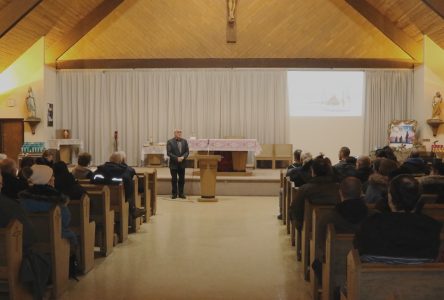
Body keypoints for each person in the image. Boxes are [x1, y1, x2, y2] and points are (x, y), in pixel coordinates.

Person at [354, 175, 442, 263]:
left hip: (371, 276)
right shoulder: (433, 227)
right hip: (422, 276)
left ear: (390, 199)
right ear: (419, 200)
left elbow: (359, 251)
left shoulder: (370, 223)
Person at [311, 177, 368, 285]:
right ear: (361, 193)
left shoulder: (328, 218)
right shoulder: (373, 215)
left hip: (334, 268)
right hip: (365, 268)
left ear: (340, 193)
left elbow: (321, 248)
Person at [289, 155, 340, 231]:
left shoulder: (305, 189)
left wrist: (300, 226)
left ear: (313, 172)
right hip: (336, 228)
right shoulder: (339, 188)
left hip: (309, 228)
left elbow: (295, 210)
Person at [93, 152, 146, 218]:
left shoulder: (100, 169)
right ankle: (132, 209)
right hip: (120, 200)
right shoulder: (128, 170)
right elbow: (137, 187)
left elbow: (92, 180)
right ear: (122, 161)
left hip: (99, 201)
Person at [167, 129, 189, 199]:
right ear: (174, 133)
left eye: (180, 132)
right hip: (173, 164)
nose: (179, 133)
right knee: (174, 179)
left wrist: (183, 157)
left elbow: (187, 151)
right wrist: (177, 158)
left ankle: (181, 193)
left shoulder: (184, 141)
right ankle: (174, 194)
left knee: (182, 179)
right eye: (178, 132)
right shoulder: (170, 141)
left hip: (182, 163)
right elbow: (169, 153)